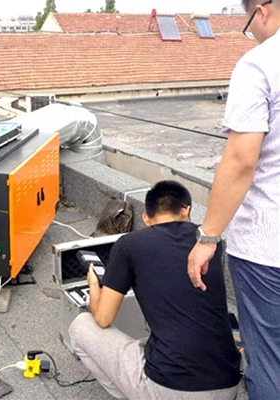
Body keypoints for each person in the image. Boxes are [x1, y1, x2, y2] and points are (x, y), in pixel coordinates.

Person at [69, 180, 241, 400]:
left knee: (81, 326)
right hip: (229, 383)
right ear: (186, 210)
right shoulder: (211, 246)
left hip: (172, 388)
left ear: (145, 218)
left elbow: (103, 318)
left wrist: (94, 285)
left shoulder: (129, 245)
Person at [187, 1, 280, 399]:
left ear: (261, 10)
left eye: (247, 25)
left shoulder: (260, 64)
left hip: (268, 248)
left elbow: (242, 160)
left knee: (269, 360)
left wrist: (207, 238)